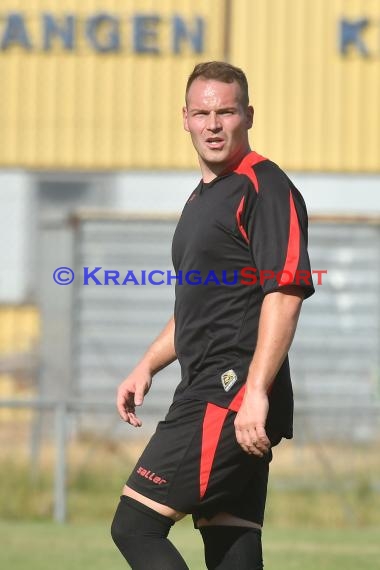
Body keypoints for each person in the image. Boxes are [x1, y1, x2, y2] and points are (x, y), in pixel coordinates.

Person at [111, 61, 314, 569]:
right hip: (212, 389)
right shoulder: (202, 199)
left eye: (226, 111)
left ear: (248, 115)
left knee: (135, 526)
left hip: (228, 395)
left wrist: (255, 394)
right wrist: (147, 365)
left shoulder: (264, 187)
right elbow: (199, 305)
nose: (214, 123)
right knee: (231, 544)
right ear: (185, 119)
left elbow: (284, 295)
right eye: (203, 113)